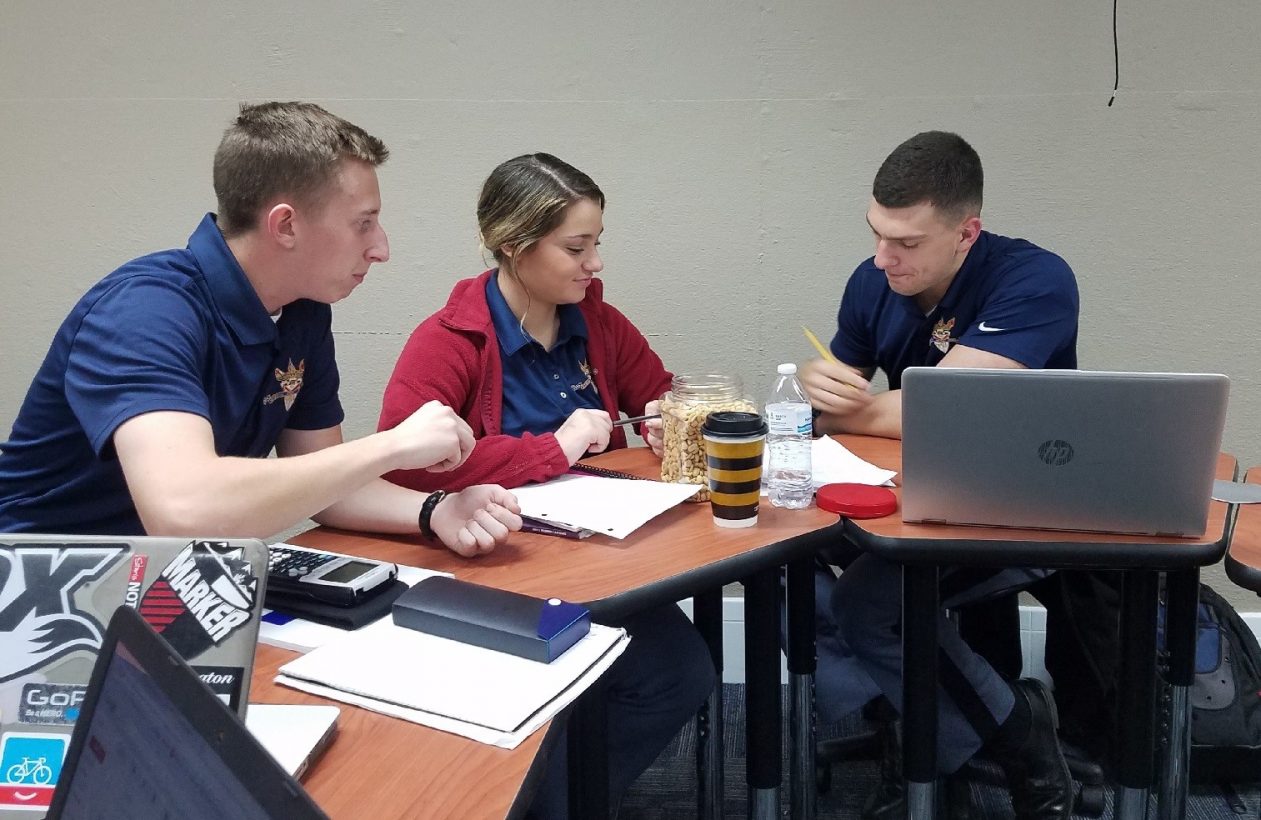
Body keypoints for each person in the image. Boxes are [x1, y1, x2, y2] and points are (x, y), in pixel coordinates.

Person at [0, 102, 521, 556]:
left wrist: (436, 510)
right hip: (38, 584)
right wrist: (392, 446)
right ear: (285, 225)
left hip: (163, 577)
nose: (380, 248)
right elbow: (183, 510)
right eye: (363, 223)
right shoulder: (143, 311)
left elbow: (325, 483)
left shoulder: (302, 312)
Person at [378, 153, 715, 818]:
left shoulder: (597, 322)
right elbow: (402, 466)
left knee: (680, 675)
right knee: (568, 694)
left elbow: (657, 392)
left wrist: (662, 417)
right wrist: (551, 449)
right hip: (497, 571)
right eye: (575, 248)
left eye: (596, 244)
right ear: (513, 244)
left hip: (600, 564)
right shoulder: (449, 339)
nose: (595, 264)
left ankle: (561, 802)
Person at [801, 131, 1079, 820]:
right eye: (875, 233)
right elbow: (841, 408)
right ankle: (927, 729)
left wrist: (861, 409)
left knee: (871, 604)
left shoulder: (1035, 280)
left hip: (1025, 501)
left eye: (905, 242)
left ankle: (1023, 740)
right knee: (783, 550)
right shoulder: (873, 281)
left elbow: (948, 409)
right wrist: (821, 391)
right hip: (919, 494)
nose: (882, 257)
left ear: (966, 233)